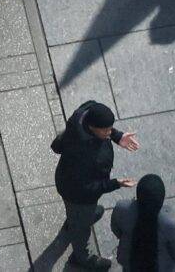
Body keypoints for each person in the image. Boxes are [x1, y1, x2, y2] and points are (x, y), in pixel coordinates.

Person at [52, 99, 140, 270]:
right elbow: (87, 188)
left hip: (66, 181)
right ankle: (82, 258)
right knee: (82, 230)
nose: (109, 132)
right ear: (92, 127)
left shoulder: (84, 114)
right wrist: (115, 184)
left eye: (110, 128)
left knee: (79, 215)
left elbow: (93, 108)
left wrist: (117, 135)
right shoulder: (83, 154)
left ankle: (73, 221)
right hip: (78, 196)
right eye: (105, 130)